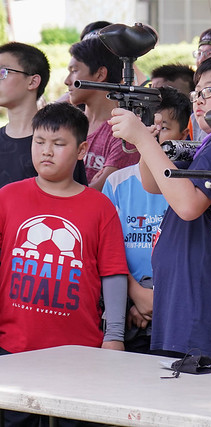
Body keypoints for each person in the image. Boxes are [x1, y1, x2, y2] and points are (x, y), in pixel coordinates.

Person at [108, 54, 211, 365]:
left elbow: (188, 205)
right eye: (196, 92)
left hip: (201, 305)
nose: (198, 100)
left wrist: (140, 137)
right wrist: (148, 142)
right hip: (187, 300)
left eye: (210, 90)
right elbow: (153, 184)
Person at [0, 102, 128, 426]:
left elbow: (113, 273)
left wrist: (114, 336)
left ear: (82, 149)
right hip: (13, 346)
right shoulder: (7, 197)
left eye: (58, 144)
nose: (47, 151)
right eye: (39, 142)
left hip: (78, 353)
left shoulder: (100, 208)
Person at [102, 87, 191, 354]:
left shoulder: (188, 187)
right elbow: (109, 250)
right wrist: (136, 297)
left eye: (163, 128)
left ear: (184, 136)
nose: (152, 135)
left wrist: (158, 299)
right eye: (145, 126)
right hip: (128, 306)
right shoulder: (117, 182)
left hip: (179, 305)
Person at [0, 42, 86, 188]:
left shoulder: (61, 141)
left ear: (33, 81)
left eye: (3, 72)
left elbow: (76, 199)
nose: (46, 149)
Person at [64, 37, 140, 191]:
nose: (66, 80)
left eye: (74, 71)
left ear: (100, 74)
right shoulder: (66, 125)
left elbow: (101, 191)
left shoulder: (123, 131)